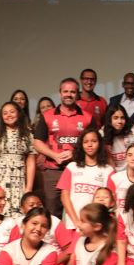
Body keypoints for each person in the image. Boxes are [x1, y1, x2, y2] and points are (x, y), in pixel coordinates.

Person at [33, 78, 93, 219]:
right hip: (53, 171)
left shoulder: (87, 117)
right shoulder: (47, 116)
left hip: (79, 169)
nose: (68, 95)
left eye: (72, 92)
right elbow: (37, 142)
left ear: (77, 94)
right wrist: (54, 155)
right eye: (65, 91)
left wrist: (75, 153)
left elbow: (94, 143)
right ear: (60, 93)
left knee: (82, 211)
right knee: (52, 214)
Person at [58, 127, 115, 228]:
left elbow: (111, 200)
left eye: (94, 141)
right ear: (81, 145)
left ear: (100, 144)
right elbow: (64, 196)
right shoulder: (72, 167)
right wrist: (76, 222)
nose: (90, 145)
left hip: (97, 227)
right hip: (73, 225)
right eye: (86, 142)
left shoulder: (108, 170)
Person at [107, 143, 134, 213]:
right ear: (126, 157)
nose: (133, 158)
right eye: (129, 155)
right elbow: (109, 205)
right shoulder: (115, 179)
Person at [102, 105, 134, 172]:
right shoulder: (102, 135)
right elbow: (108, 161)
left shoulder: (131, 133)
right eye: (115, 118)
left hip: (131, 172)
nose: (120, 121)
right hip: (112, 172)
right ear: (109, 119)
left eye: (122, 118)